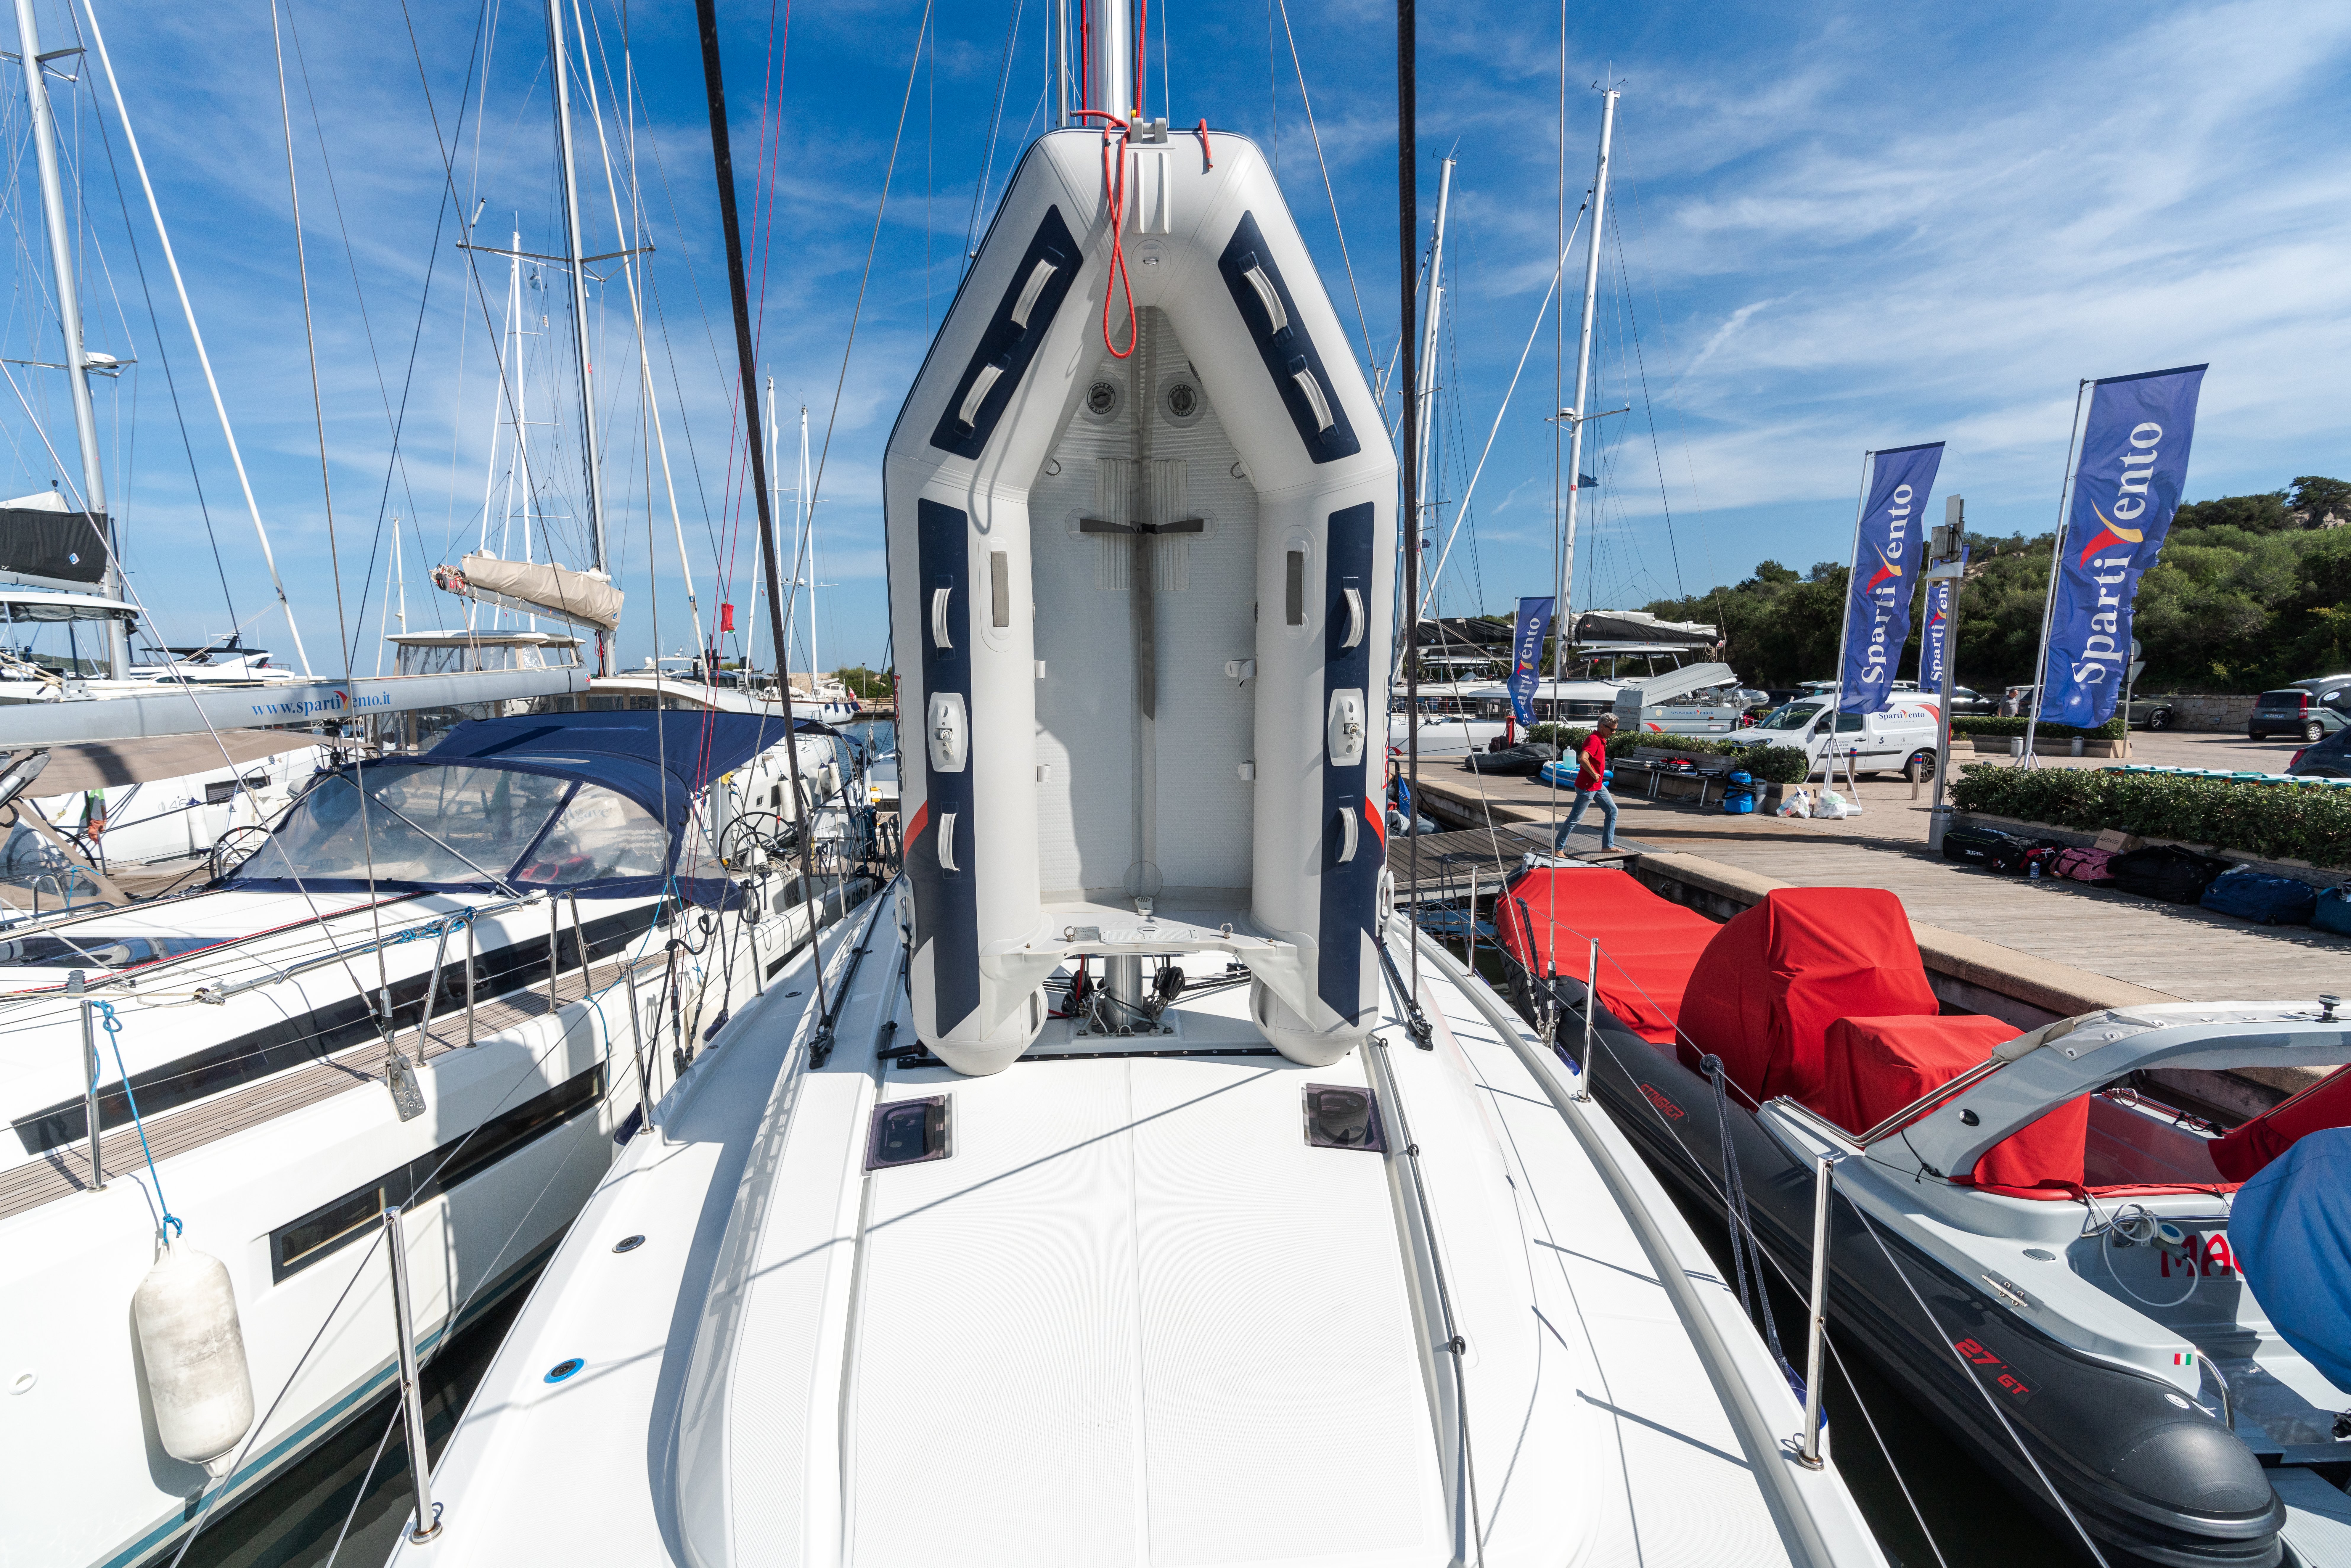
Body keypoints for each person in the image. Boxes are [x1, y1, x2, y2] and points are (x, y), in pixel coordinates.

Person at [1553, 713, 1619, 854]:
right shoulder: (1594, 740)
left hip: (1597, 785)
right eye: (1612, 730)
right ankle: (1558, 849)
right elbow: (1583, 758)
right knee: (1575, 818)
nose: (1614, 733)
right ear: (1602, 726)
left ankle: (1607, 846)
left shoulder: (1601, 740)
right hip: (1588, 786)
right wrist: (1594, 774)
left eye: (1615, 730)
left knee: (1612, 811)